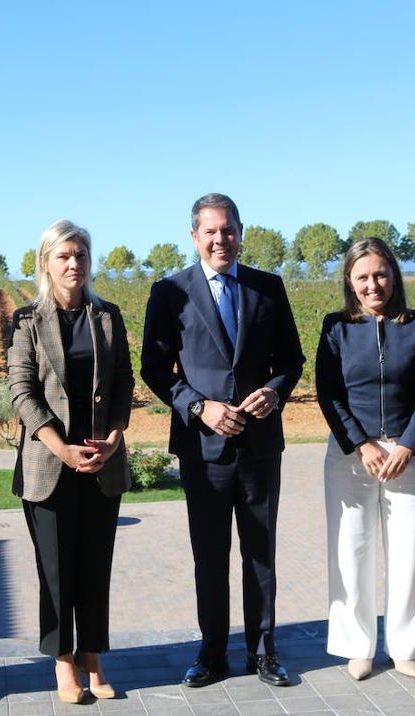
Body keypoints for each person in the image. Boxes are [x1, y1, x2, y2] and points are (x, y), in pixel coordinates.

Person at [141, 193, 305, 688]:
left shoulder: (268, 288)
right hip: (203, 447)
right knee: (209, 555)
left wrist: (275, 394)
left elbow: (292, 361)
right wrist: (199, 407)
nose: (220, 239)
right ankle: (212, 653)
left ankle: (263, 650)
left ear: (241, 232)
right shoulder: (170, 291)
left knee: (260, 550)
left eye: (228, 230)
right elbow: (154, 369)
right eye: (210, 231)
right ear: (194, 237)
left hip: (259, 446)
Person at [7, 220, 134, 704]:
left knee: (95, 565)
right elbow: (22, 391)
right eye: (63, 256)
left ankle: (93, 655)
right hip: (49, 466)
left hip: (102, 461)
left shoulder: (108, 315)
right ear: (46, 263)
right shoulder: (25, 320)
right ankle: (63, 661)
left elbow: (123, 381)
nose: (73, 263)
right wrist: (60, 447)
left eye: (80, 254)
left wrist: (115, 436)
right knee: (57, 570)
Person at [315, 238, 415, 681]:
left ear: (395, 277)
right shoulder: (336, 328)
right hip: (352, 457)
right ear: (350, 281)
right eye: (363, 277)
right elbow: (328, 394)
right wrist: (361, 444)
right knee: (351, 550)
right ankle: (357, 646)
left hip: (410, 456)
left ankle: (405, 646)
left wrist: (408, 444)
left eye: (381, 275)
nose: (373, 285)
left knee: (410, 554)